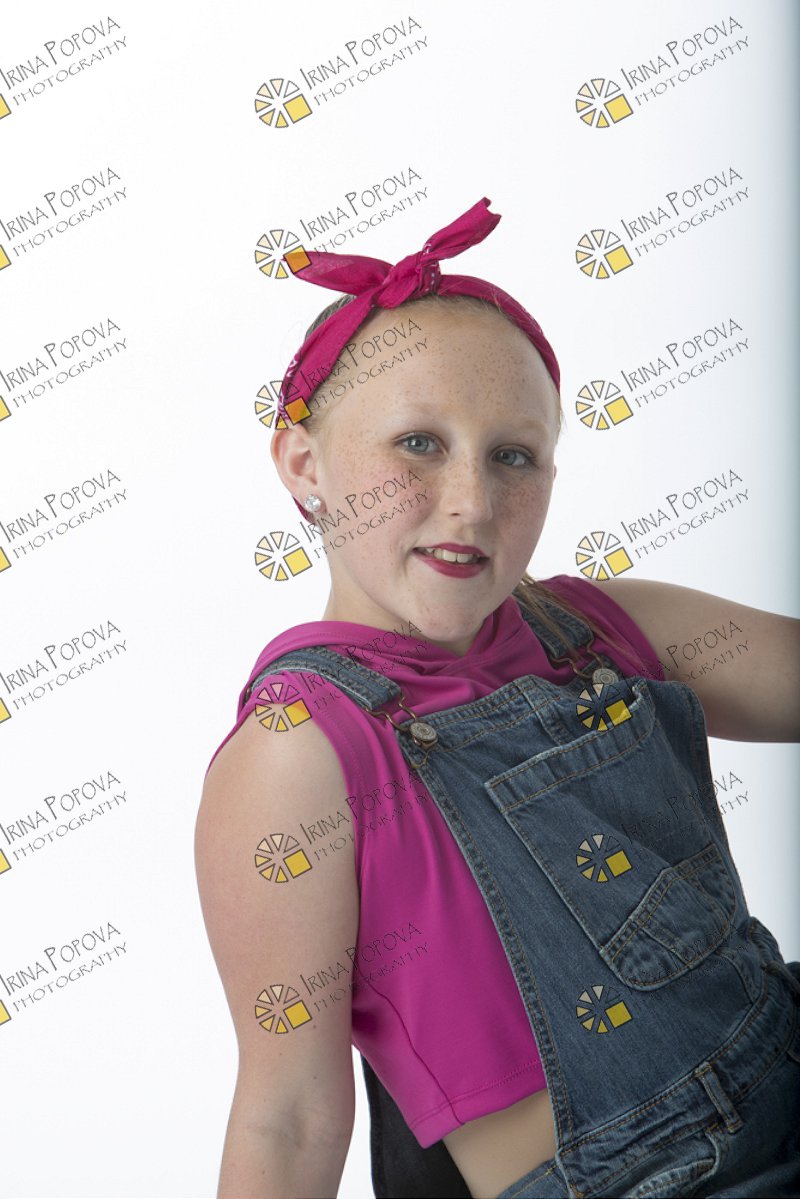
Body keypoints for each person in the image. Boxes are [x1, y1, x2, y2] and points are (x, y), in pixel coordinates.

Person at [195, 198, 800, 1199]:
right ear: (303, 464)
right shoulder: (299, 748)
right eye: (417, 444)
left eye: (511, 456)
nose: (471, 502)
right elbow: (288, 1114)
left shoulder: (600, 627)